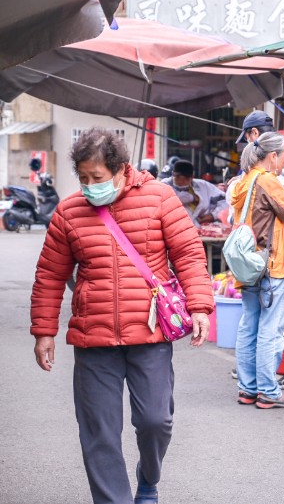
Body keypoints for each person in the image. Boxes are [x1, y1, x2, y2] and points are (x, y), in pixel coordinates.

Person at [30, 129, 213, 504]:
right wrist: (43, 331)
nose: (90, 186)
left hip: (149, 334)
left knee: (155, 422)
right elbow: (49, 274)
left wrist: (200, 307)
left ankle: (148, 477)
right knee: (99, 432)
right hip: (93, 338)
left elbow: (190, 256)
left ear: (119, 169)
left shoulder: (160, 198)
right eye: (83, 178)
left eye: (96, 178)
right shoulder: (68, 211)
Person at [227, 110, 284, 390]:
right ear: (272, 156)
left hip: (252, 263)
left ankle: (248, 387)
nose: (283, 163)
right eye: (283, 157)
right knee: (271, 328)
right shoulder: (266, 180)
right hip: (272, 263)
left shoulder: (242, 183)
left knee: (249, 326)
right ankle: (267, 389)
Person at [166, 159, 227, 226]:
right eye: (177, 178)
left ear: (192, 177)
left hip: (197, 229)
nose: (181, 182)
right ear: (172, 175)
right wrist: (192, 198)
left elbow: (224, 201)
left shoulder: (203, 186)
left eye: (185, 179)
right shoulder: (164, 185)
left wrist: (213, 215)